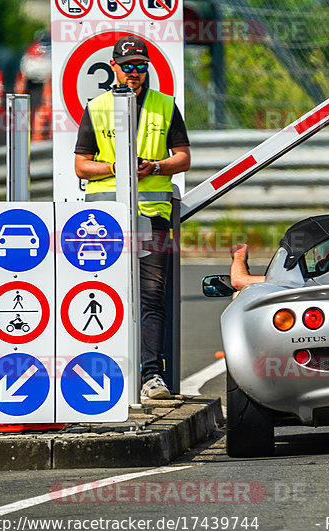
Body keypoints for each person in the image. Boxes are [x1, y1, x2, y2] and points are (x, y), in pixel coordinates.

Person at [74, 35, 191, 400]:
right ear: (114, 67)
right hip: (104, 220)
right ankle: (101, 371)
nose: (134, 73)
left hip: (153, 216)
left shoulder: (165, 105)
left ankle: (151, 375)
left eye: (141, 66)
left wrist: (154, 165)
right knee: (105, 293)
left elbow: (183, 158)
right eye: (128, 67)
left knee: (151, 296)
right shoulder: (97, 107)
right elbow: (80, 164)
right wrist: (115, 167)